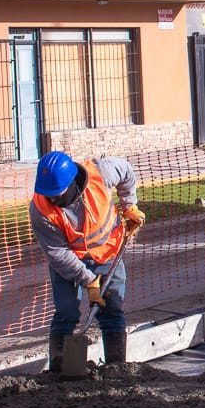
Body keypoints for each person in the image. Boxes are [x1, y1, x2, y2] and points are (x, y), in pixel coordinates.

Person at [29, 151, 145, 372]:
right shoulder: (40, 210)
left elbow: (127, 171)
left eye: (57, 193)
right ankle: (59, 372)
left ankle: (116, 369)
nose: (52, 199)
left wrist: (129, 206)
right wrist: (89, 281)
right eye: (48, 194)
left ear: (71, 182)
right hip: (69, 262)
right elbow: (58, 254)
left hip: (108, 254)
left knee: (112, 311)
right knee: (67, 312)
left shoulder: (101, 172)